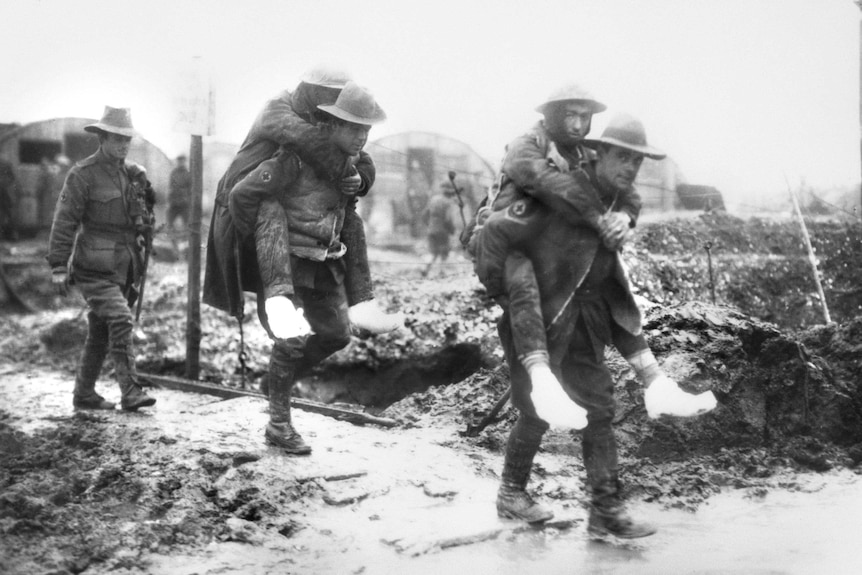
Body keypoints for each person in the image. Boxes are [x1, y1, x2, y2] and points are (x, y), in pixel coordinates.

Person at [474, 91, 716, 538]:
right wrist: (502, 291)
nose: (630, 169)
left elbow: (610, 271)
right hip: (536, 318)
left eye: (638, 162)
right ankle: (511, 492)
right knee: (534, 410)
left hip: (584, 319)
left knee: (600, 408)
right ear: (598, 153)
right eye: (622, 157)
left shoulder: (617, 203)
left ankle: (605, 511)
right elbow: (495, 233)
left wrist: (625, 215)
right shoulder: (556, 193)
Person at [206, 82, 386, 455]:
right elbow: (242, 196)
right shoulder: (295, 159)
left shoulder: (350, 167)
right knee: (291, 339)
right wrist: (255, 240)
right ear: (332, 124)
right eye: (354, 128)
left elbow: (352, 201)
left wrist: (360, 180)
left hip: (321, 267)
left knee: (336, 335)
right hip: (282, 265)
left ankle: (274, 386)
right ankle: (278, 424)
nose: (361, 137)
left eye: (366, 130)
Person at [203, 64, 403, 337]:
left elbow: (359, 155)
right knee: (275, 291)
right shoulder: (277, 110)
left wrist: (362, 178)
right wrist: (350, 171)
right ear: (312, 91)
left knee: (344, 228)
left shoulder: (316, 115)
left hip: (286, 211)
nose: (335, 103)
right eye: (331, 95)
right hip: (244, 205)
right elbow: (315, 145)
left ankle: (360, 306)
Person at [46, 106, 157, 411]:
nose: (123, 146)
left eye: (127, 141)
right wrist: (58, 265)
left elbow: (141, 219)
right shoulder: (83, 174)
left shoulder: (131, 174)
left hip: (123, 266)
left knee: (99, 333)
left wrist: (146, 204)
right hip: (93, 265)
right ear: (103, 138)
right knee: (121, 320)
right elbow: (65, 218)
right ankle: (131, 391)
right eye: (118, 139)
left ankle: (84, 394)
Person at [420, 180, 457, 277]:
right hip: (443, 231)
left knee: (433, 252)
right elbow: (447, 219)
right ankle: (442, 272)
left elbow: (424, 215)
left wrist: (430, 225)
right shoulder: (448, 202)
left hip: (431, 229)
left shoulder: (433, 199)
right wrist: (452, 230)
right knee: (444, 252)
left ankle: (425, 268)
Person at [167, 154, 192, 230]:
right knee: (170, 222)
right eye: (179, 161)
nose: (180, 163)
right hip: (174, 202)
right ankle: (172, 238)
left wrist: (187, 198)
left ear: (185, 162)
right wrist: (170, 199)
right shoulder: (174, 173)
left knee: (187, 223)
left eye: (182, 161)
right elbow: (171, 186)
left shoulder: (188, 173)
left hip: (184, 202)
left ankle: (186, 239)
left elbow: (190, 188)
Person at [0, 158, 20, 241]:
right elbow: (12, 177)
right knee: (9, 213)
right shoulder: (7, 163)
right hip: (6, 191)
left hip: (5, 192)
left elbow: (12, 177)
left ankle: (12, 235)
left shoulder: (5, 163)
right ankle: (13, 235)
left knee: (7, 213)